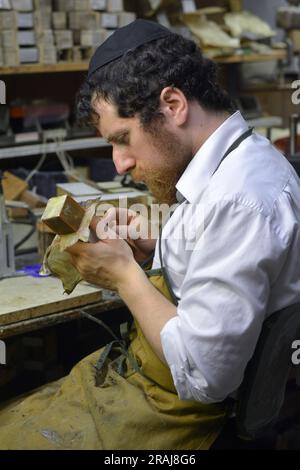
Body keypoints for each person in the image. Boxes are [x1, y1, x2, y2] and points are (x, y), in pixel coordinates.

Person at [1, 19, 300, 450]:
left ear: (173, 104)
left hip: (189, 416)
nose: (120, 162)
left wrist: (125, 277)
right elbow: (223, 263)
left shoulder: (239, 199)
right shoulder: (235, 162)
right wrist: (156, 250)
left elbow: (204, 375)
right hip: (150, 386)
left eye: (123, 139)